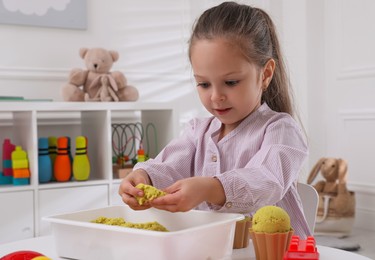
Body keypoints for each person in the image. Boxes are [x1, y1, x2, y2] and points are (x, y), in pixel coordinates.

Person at [119, 1, 310, 238]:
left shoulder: (280, 130)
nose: (216, 97)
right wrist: (142, 177)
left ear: (265, 74)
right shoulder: (196, 132)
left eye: (231, 82)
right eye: (203, 84)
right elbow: (167, 166)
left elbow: (268, 181)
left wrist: (212, 188)